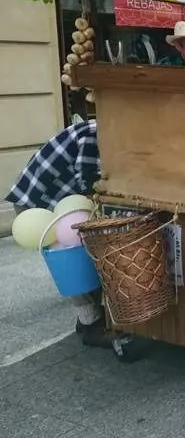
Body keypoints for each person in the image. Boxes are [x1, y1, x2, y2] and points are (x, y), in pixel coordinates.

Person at [5, 120, 111, 348]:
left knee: (81, 252)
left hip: (58, 200)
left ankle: (90, 319)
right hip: (37, 204)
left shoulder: (104, 130)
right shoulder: (96, 132)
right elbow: (89, 181)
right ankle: (91, 324)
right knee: (71, 256)